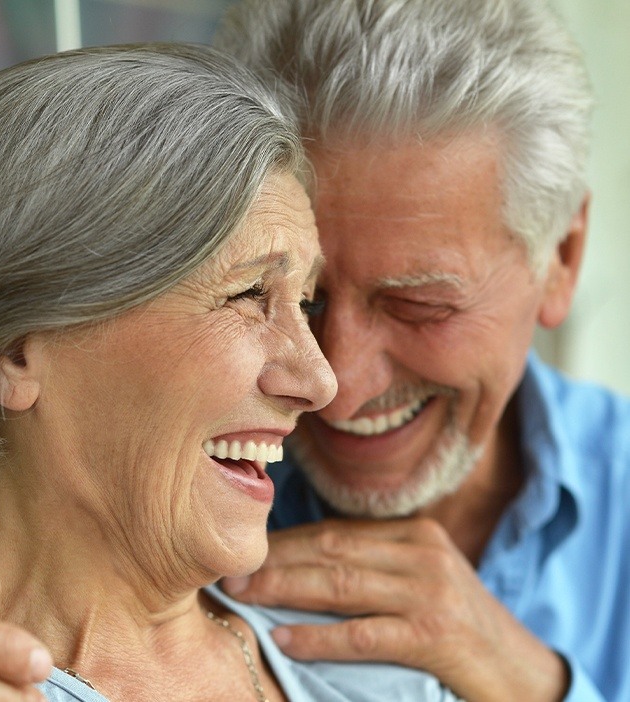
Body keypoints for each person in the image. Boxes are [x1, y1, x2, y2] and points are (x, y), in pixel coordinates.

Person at [0, 41, 472, 702]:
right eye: (248, 295)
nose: (320, 382)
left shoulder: (383, 676)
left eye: (304, 303)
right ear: (12, 351)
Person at [209, 1, 630, 701]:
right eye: (293, 300)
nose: (337, 384)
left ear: (561, 258)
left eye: (419, 307)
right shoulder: (166, 494)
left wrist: (535, 684)